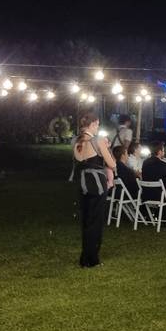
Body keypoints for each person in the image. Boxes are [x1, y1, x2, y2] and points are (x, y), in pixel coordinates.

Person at [73, 112, 116, 268]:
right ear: (92, 124)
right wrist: (107, 148)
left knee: (86, 221)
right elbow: (112, 164)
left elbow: (80, 161)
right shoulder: (97, 140)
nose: (98, 127)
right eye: (97, 124)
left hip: (83, 183)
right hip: (97, 184)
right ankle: (92, 259)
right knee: (95, 221)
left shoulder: (76, 141)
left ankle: (84, 258)